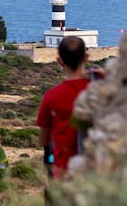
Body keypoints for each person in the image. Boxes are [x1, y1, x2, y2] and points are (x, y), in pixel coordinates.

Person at [37, 36, 95, 179]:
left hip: (63, 171)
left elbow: (44, 139)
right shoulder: (99, 91)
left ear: (59, 61)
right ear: (86, 58)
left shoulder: (52, 97)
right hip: (95, 172)